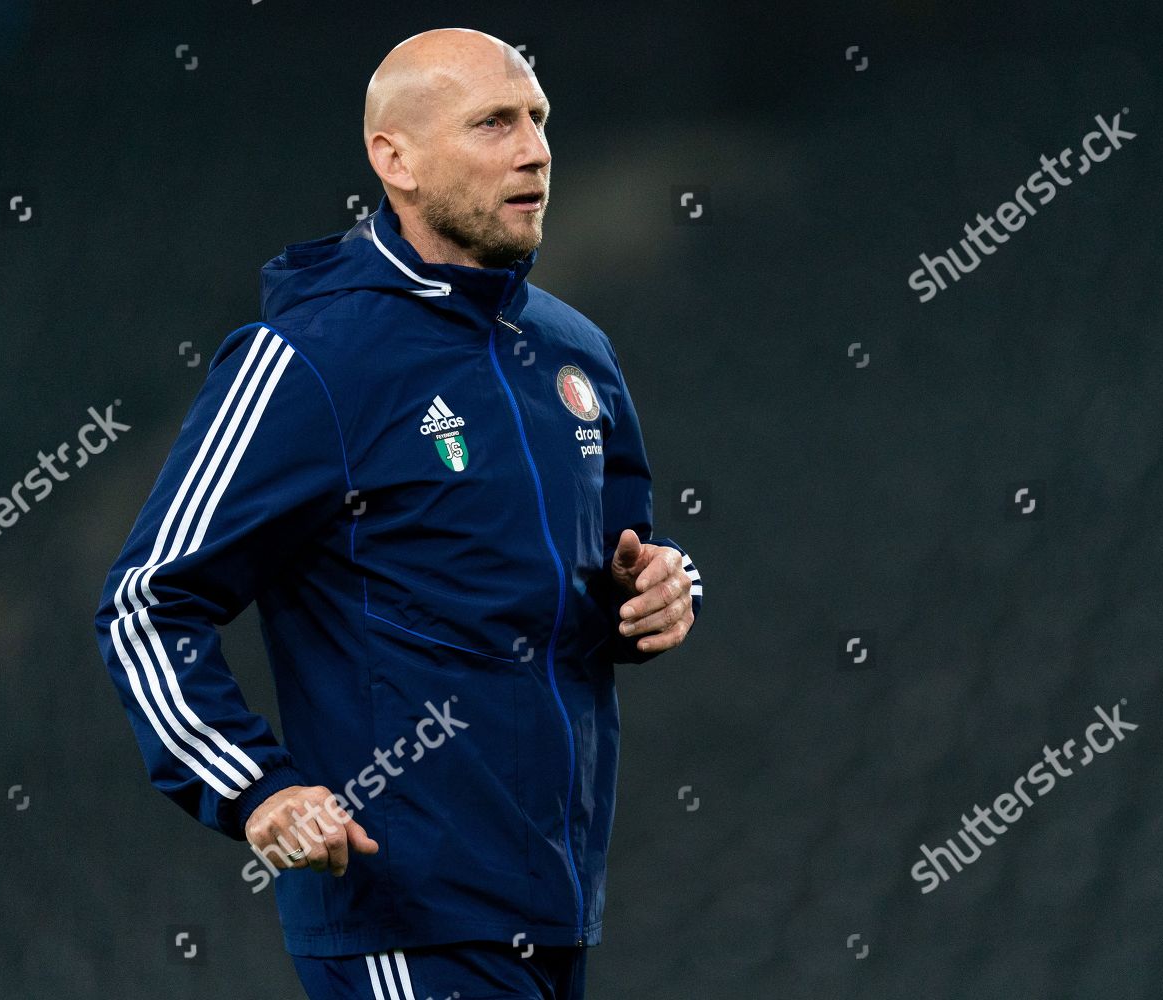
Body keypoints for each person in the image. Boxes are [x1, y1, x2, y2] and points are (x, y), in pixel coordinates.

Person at [91, 27, 704, 1000]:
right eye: (494, 122)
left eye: (538, 119)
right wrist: (257, 786)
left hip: (553, 903)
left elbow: (623, 568)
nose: (534, 148)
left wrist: (666, 590)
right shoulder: (307, 360)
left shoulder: (574, 351)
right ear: (396, 159)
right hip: (403, 917)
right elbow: (146, 601)